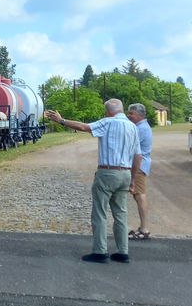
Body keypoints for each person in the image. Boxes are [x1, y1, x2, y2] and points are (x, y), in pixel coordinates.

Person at [45, 99, 142, 263]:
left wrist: (61, 120)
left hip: (107, 172)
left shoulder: (108, 122)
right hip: (125, 173)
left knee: (100, 212)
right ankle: (122, 251)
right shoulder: (133, 127)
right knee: (120, 213)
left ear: (108, 111)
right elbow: (138, 156)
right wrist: (132, 179)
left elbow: (84, 127)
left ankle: (100, 251)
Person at [126, 103, 152, 240]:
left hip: (139, 166)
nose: (128, 116)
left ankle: (144, 229)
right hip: (139, 165)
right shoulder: (139, 127)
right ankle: (142, 228)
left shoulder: (141, 129)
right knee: (137, 195)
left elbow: (131, 147)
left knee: (140, 195)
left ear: (139, 115)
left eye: (131, 113)